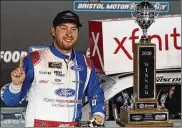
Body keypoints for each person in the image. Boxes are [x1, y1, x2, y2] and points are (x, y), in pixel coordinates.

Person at [2, 10, 105, 127]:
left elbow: (96, 92)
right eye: (63, 28)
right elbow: (9, 101)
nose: (69, 34)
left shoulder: (85, 63)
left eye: (73, 29)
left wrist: (98, 113)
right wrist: (16, 85)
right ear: (53, 31)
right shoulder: (34, 60)